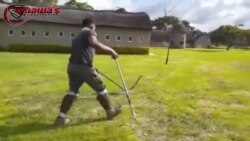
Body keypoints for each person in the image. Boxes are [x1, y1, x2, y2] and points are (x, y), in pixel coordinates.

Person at [54, 18, 121, 126]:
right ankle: (110, 112)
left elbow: (85, 51)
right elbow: (94, 43)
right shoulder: (89, 31)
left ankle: (60, 118)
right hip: (83, 67)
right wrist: (111, 51)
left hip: (72, 67)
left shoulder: (77, 36)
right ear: (92, 25)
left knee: (73, 92)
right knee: (101, 88)